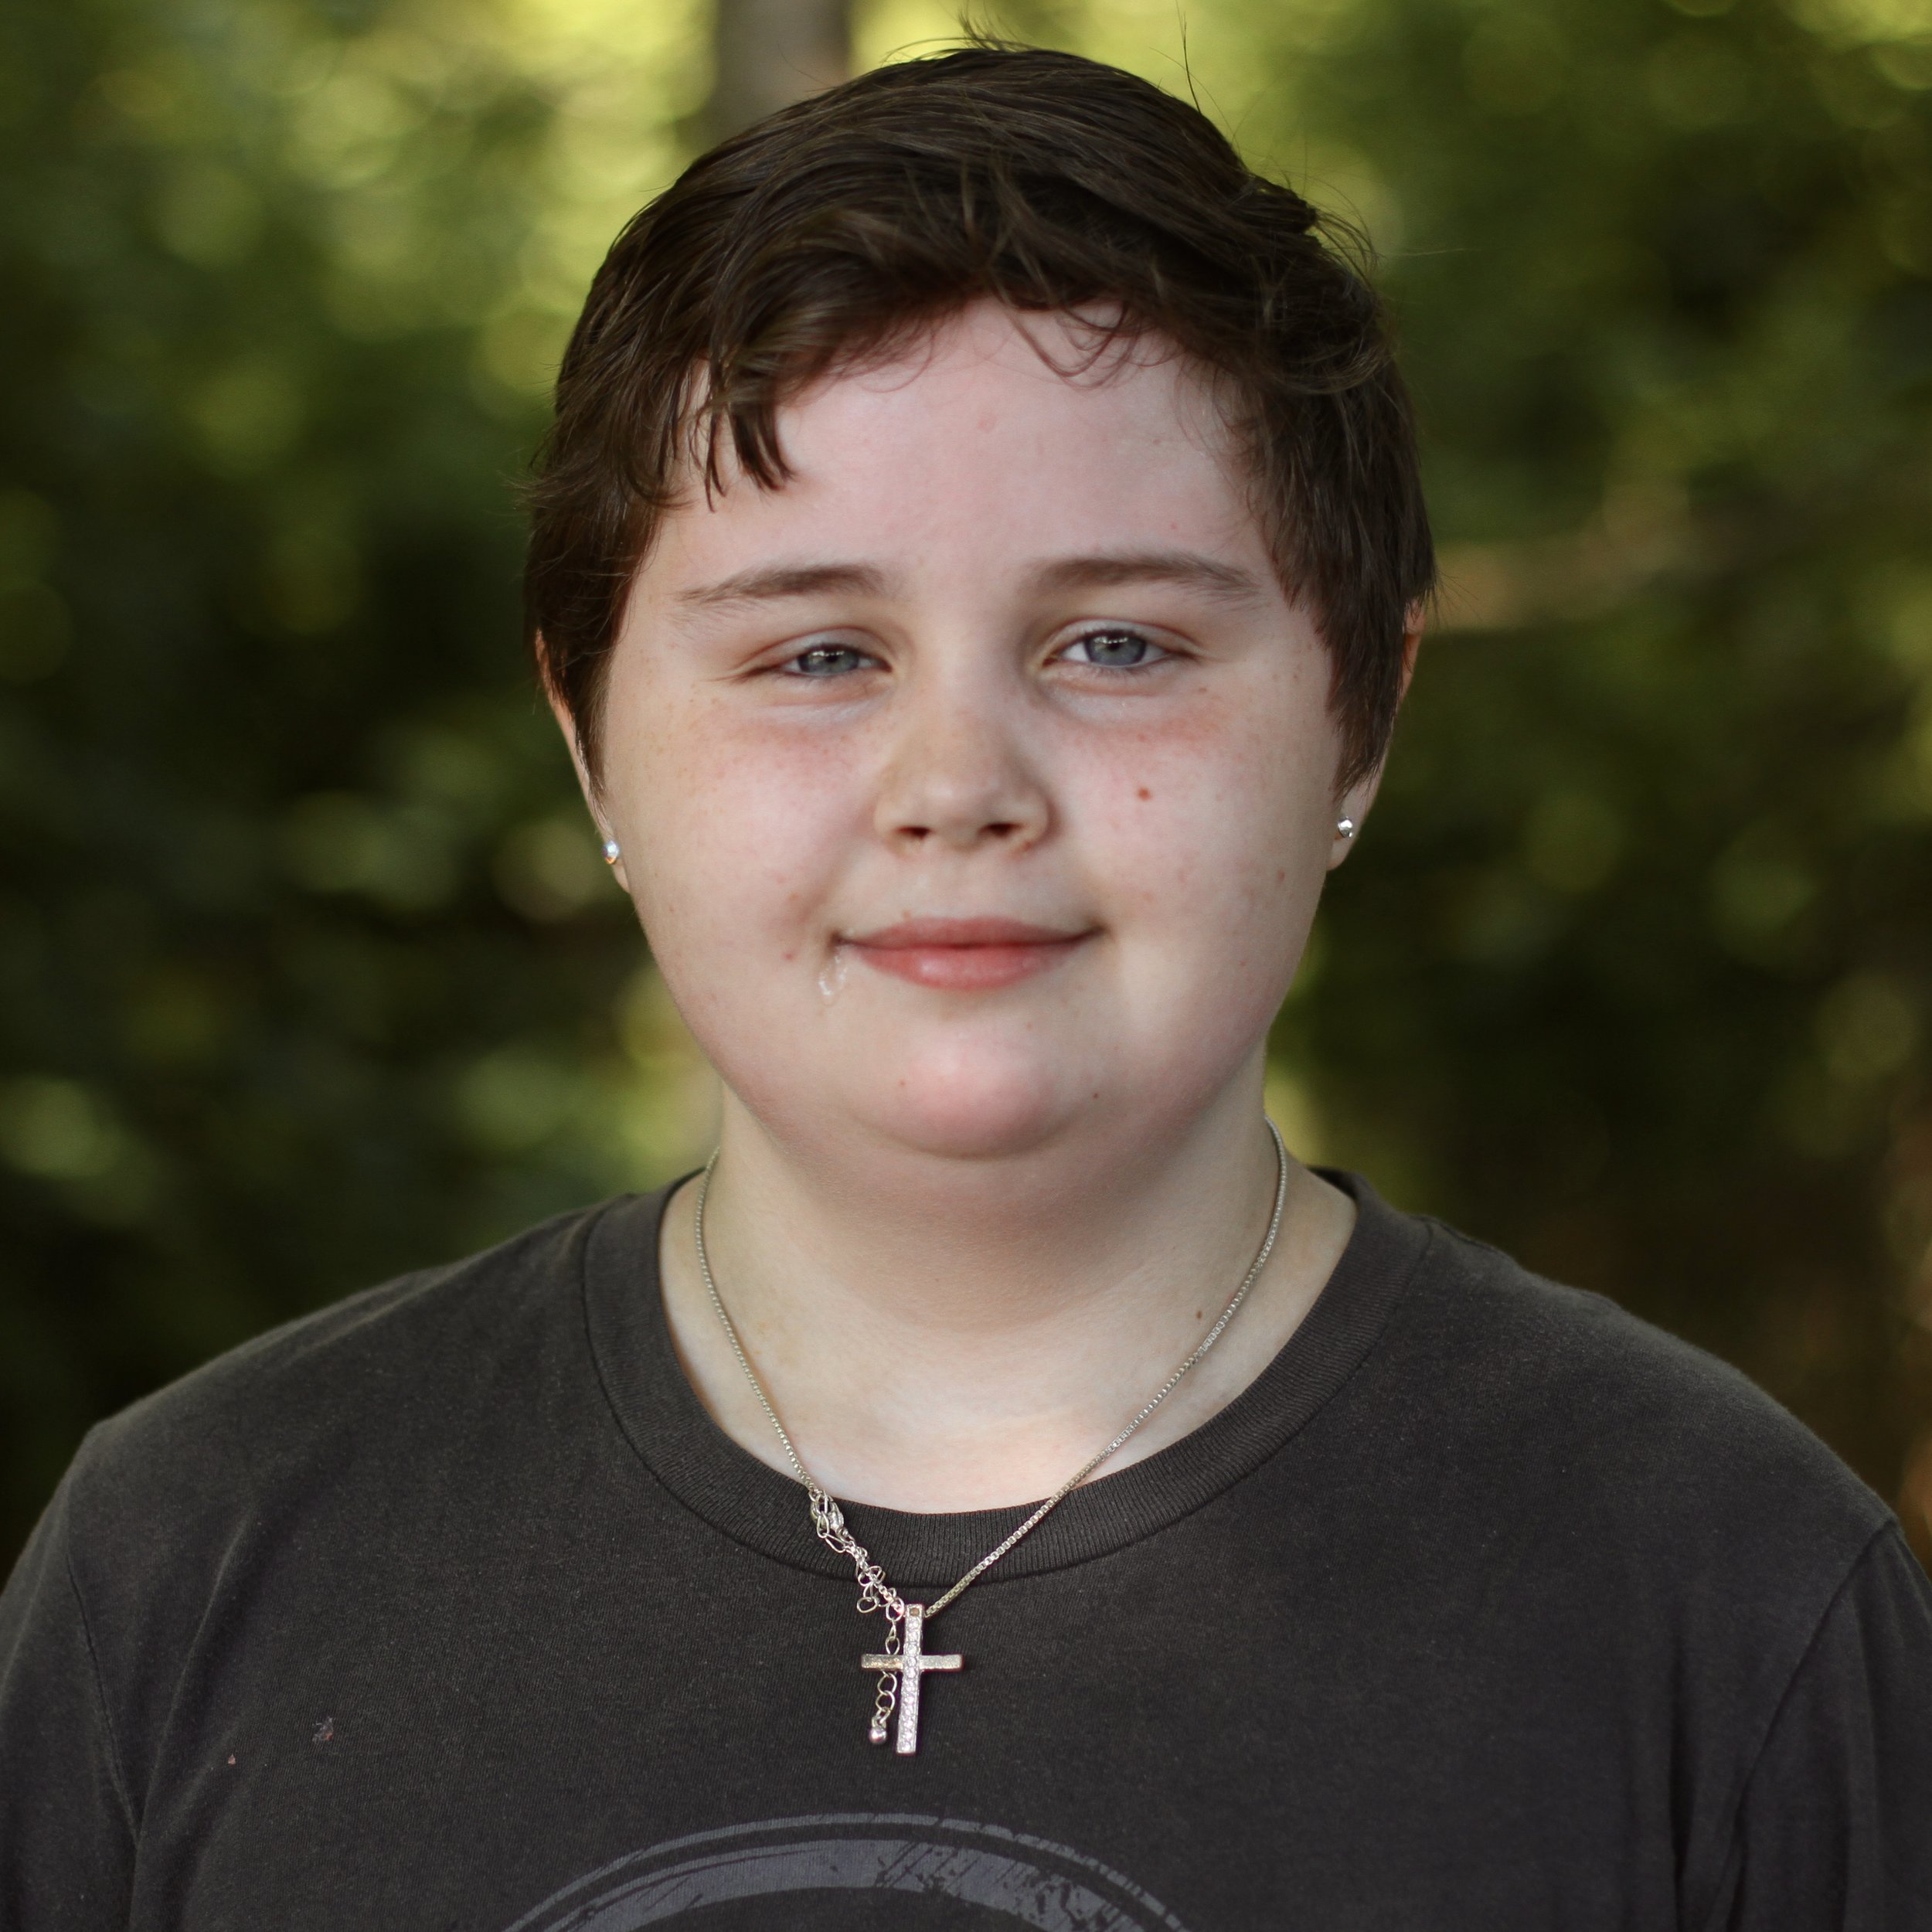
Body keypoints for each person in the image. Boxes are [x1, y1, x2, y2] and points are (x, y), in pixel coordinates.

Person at [3, 42, 1929, 1932]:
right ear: (588, 740)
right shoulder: (195, 1561)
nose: (956, 788)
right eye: (816, 654)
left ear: (1359, 713)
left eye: (1113, 640)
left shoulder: (1726, 1602)